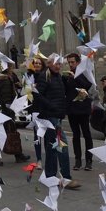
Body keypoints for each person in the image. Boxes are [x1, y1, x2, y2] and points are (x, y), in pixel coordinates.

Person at [34, 56, 81, 189]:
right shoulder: (44, 76)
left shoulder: (59, 77)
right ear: (49, 63)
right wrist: (51, 106)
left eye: (60, 64)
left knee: (52, 147)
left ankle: (50, 176)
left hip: (57, 116)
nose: (58, 66)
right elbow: (37, 95)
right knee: (62, 146)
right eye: (56, 64)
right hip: (50, 116)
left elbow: (65, 93)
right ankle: (66, 178)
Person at [0, 63, 30, 163]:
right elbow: (6, 97)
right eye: (11, 67)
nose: (12, 69)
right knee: (6, 133)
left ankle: (18, 155)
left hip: (0, 109)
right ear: (7, 68)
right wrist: (9, 109)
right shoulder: (5, 80)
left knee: (7, 133)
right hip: (6, 110)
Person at [64, 54, 93, 171]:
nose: (71, 64)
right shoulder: (67, 75)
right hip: (72, 109)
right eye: (69, 62)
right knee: (75, 135)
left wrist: (75, 76)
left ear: (78, 62)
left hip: (83, 108)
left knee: (87, 134)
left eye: (72, 62)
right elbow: (65, 90)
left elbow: (87, 85)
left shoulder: (84, 73)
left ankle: (89, 160)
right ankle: (77, 160)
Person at [25, 56, 45, 169]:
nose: (37, 65)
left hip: (45, 108)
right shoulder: (29, 76)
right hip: (35, 108)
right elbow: (25, 93)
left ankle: (49, 157)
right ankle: (39, 160)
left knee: (48, 135)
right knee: (37, 135)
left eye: (39, 63)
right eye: (35, 63)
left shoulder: (46, 76)